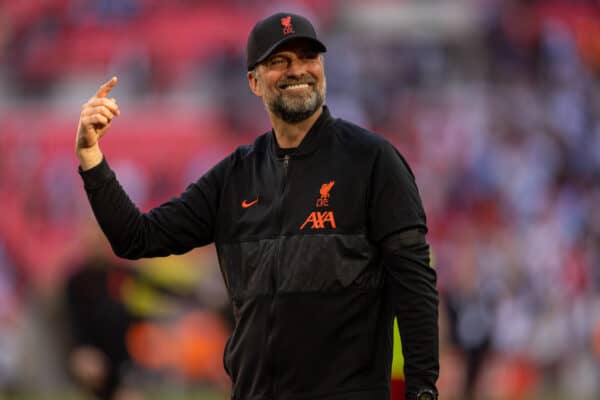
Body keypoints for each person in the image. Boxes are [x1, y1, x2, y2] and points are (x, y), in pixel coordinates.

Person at [75, 12, 439, 400]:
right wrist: (90, 155)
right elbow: (136, 238)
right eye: (279, 61)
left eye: (308, 57)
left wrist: (422, 392)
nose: (297, 70)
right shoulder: (234, 176)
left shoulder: (373, 162)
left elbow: (414, 286)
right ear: (253, 81)